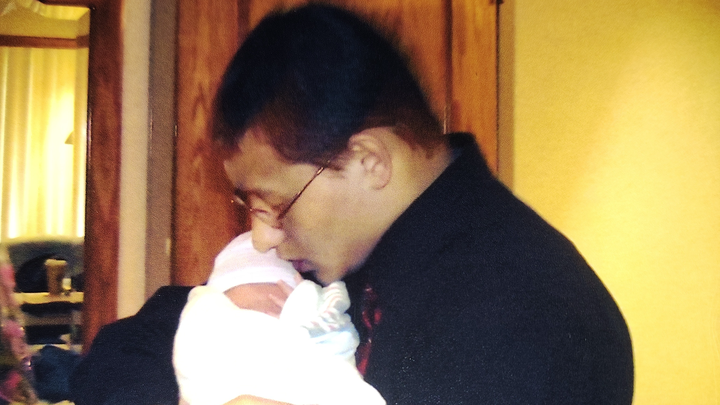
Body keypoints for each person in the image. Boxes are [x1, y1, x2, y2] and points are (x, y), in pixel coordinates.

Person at [71, 4, 633, 405]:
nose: (263, 238)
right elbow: (130, 344)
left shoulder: (528, 316)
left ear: (368, 160)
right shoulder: (345, 249)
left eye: (275, 204)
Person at [173, 232, 384, 405]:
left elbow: (338, 358)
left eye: (276, 306)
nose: (261, 318)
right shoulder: (202, 326)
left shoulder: (316, 342)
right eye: (246, 309)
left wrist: (304, 306)